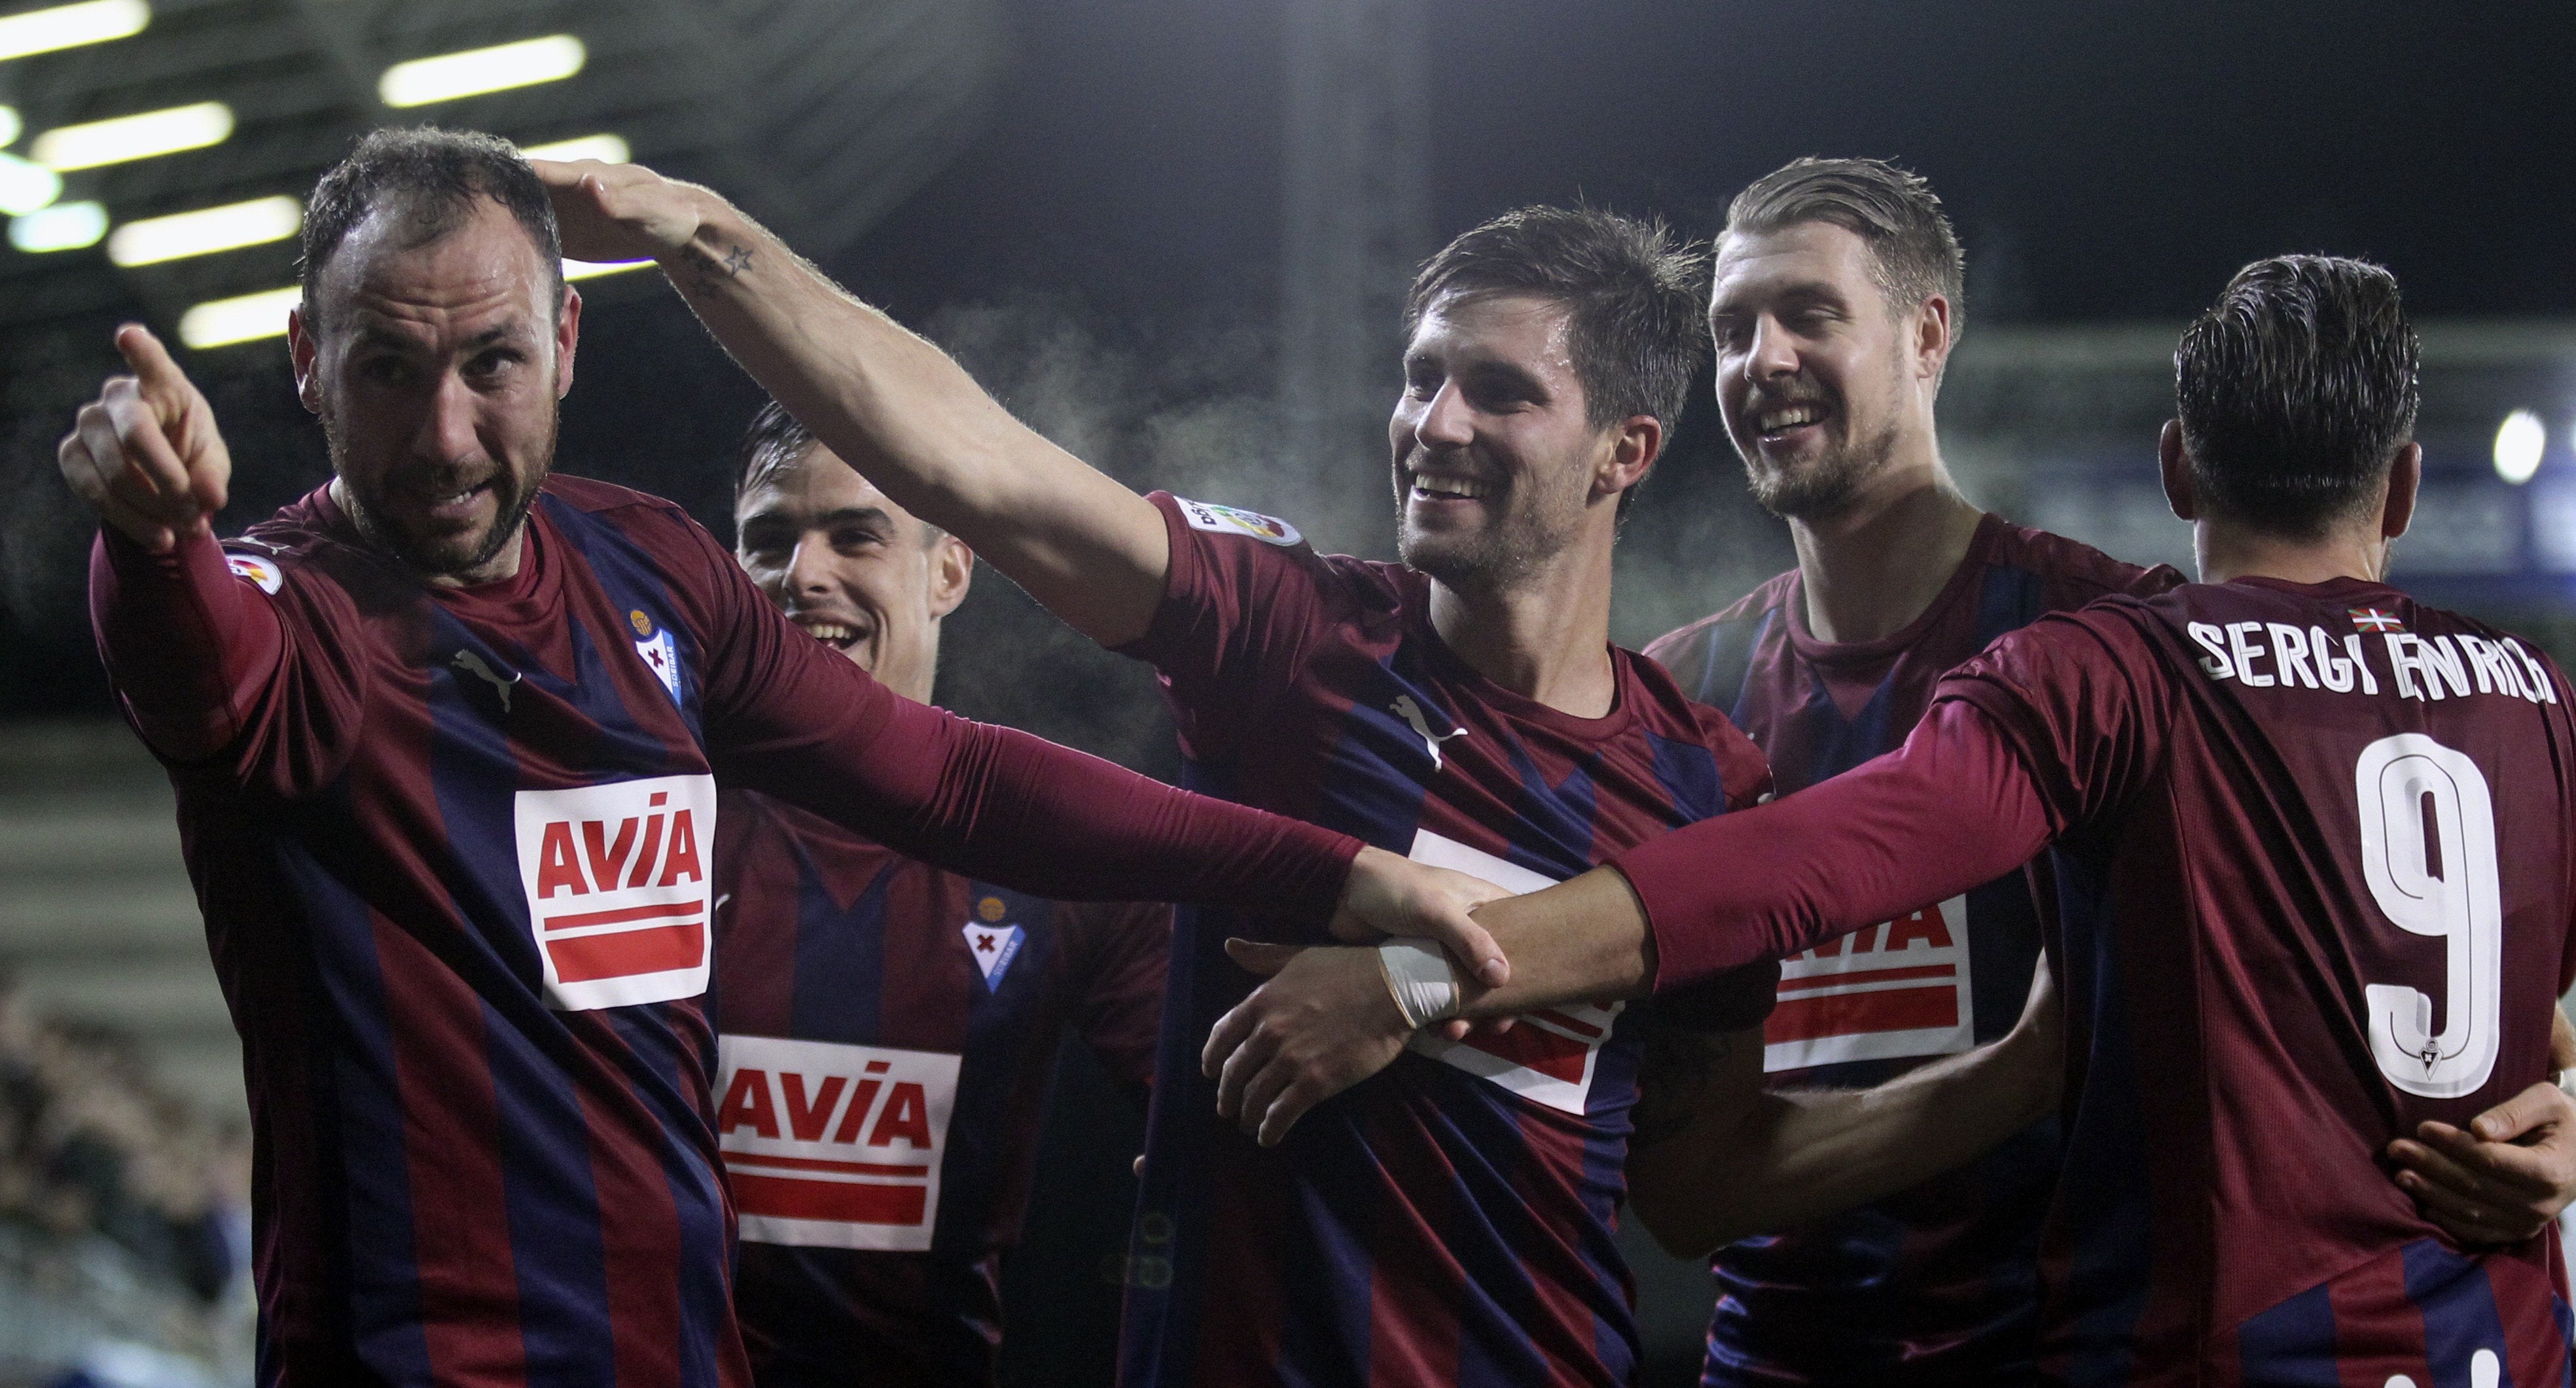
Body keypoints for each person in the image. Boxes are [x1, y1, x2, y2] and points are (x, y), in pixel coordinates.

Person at [54, 128, 1501, 1387]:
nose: (447, 434)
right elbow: (195, 666)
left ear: (564, 345)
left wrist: (1350, 873)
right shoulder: (285, 613)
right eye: (388, 367)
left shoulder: (650, 572)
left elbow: (963, 785)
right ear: (308, 361)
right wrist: (149, 534)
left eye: (492, 362)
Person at [1209, 255, 2576, 1383]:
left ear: (2180, 469)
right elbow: (2527, 1022)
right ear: (2409, 482)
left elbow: (1811, 862)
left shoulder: (2117, 665)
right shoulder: (2535, 700)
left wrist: (1419, 961)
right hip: (2492, 1343)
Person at [539, 153, 1772, 1385]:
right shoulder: (1294, 636)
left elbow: (1698, 1182)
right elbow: (974, 464)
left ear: (1627, 450)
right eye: (1421, 377)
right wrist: (689, 225)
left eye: (1499, 392)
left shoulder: (1707, 788)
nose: (1434, 423)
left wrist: (1974, 1100)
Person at [1632, 157, 2576, 1385]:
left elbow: (2428, 971)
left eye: (1808, 314)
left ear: (1930, 333)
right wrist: (2030, 1070)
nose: (1760, 357)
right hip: (1772, 1354)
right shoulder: (1679, 696)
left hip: (2050, 1348)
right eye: (1732, 328)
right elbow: (1686, 1186)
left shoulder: (2129, 644)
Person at [709, 402, 1172, 1385]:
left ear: (950, 571)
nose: (806, 575)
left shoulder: (1045, 850)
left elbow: (1234, 1104)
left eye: (856, 534)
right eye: (770, 540)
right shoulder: (647, 829)